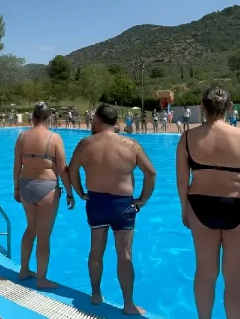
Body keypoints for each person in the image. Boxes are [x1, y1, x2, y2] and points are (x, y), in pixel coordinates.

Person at [176, 87, 240, 319]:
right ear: (230, 107)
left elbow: (181, 181)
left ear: (202, 107)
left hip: (199, 205)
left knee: (205, 273)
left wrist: (184, 210)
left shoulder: (187, 137)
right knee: (236, 277)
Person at [67, 103, 156, 312]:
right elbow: (151, 173)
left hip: (96, 202)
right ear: (115, 123)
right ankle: (128, 304)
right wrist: (142, 199)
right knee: (124, 254)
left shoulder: (85, 144)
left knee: (96, 251)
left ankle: (96, 295)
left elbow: (71, 171)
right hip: (122, 204)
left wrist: (80, 193)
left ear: (97, 120)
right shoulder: (131, 145)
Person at [13, 102, 72, 289]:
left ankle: (24, 270)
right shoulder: (54, 138)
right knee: (44, 236)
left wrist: (16, 188)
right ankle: (42, 279)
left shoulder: (22, 136)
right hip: (46, 188)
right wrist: (70, 192)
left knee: (31, 228)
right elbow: (62, 169)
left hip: (25, 185)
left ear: (33, 117)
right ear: (49, 118)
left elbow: (16, 166)